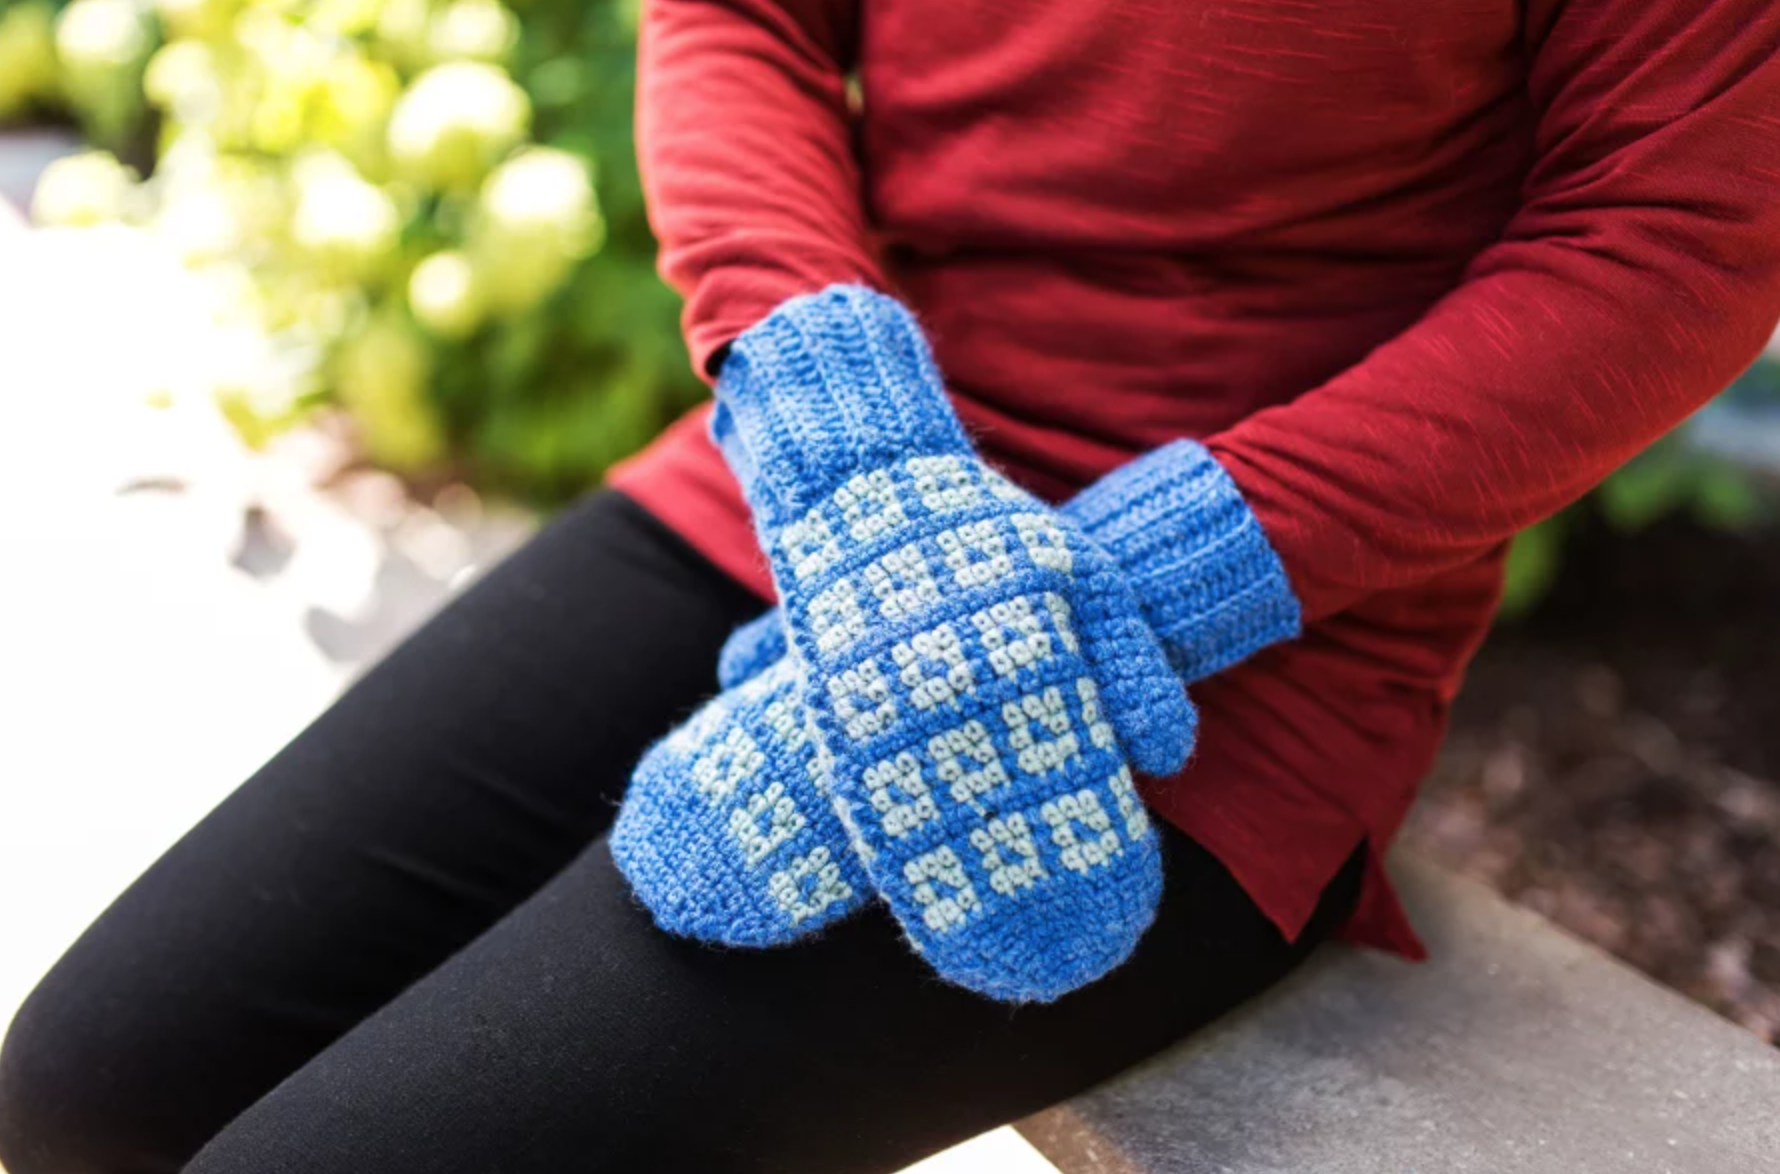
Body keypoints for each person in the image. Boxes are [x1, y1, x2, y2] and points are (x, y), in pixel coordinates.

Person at [4, 1, 1779, 1170]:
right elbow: (739, 18)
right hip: (805, 477)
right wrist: (852, 464)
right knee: (83, 1092)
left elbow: (1681, 235)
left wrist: (1168, 572)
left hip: (1241, 631)